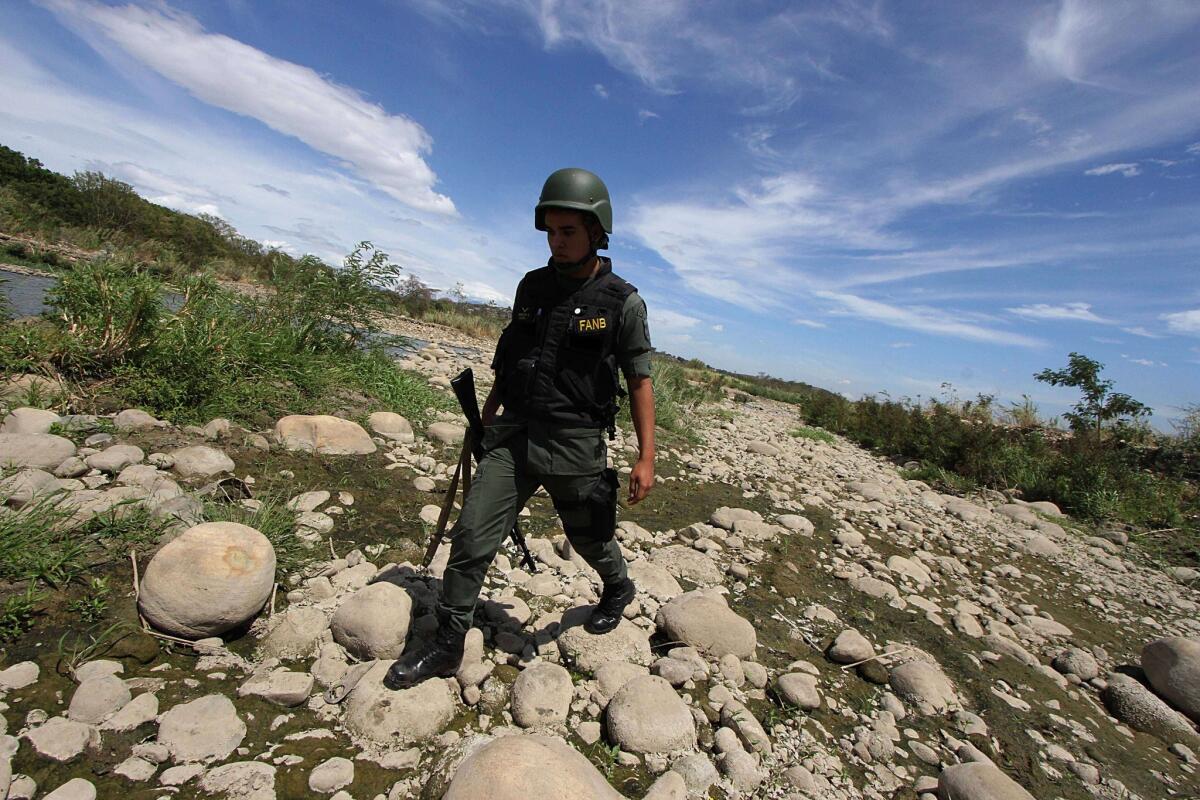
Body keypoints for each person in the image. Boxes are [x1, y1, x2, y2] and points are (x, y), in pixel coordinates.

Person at [385, 167, 656, 690]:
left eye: (568, 232)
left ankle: (618, 587)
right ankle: (448, 642)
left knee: (591, 538)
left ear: (597, 232)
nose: (556, 242)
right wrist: (485, 424)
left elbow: (640, 379)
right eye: (551, 231)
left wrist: (647, 457)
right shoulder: (532, 286)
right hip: (514, 435)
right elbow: (509, 362)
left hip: (576, 443)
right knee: (472, 534)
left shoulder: (623, 302)